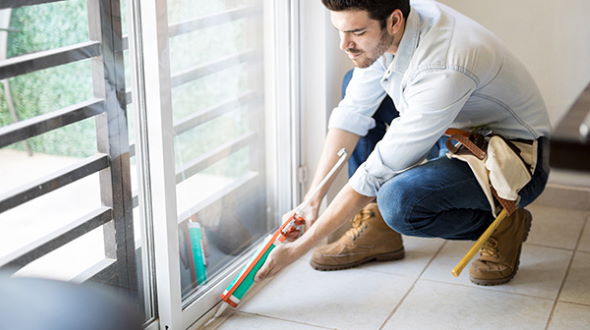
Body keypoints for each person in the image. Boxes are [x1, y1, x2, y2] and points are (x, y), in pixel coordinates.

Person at [255, 0, 550, 286]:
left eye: (357, 33)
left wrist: (297, 249)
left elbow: (375, 172)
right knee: (353, 82)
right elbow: (352, 114)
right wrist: (311, 200)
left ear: (394, 21)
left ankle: (503, 225)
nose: (345, 44)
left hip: (513, 157)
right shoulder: (395, 22)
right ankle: (376, 229)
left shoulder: (443, 65)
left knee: (399, 202)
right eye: (340, 31)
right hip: (452, 130)